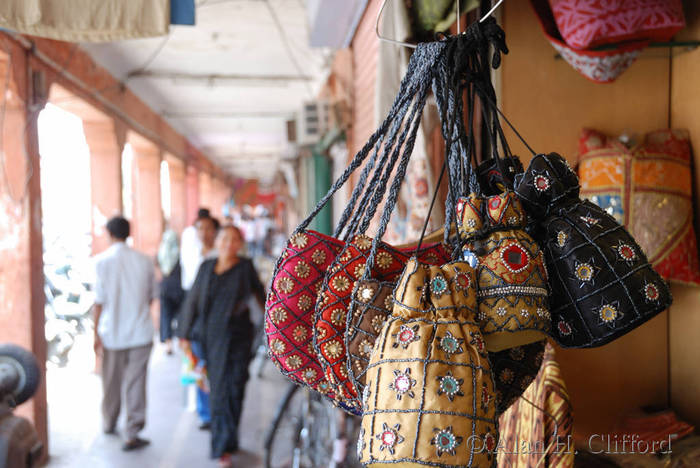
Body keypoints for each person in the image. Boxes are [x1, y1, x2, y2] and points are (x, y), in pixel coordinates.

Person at [179, 225, 265, 467]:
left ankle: (230, 438)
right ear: (217, 241)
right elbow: (192, 300)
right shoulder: (206, 267)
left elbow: (260, 297)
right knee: (217, 392)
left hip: (239, 338)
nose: (229, 243)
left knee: (236, 388)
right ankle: (221, 449)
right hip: (210, 338)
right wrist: (183, 335)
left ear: (240, 243)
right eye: (225, 238)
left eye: (234, 239)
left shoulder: (245, 267)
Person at [93, 216, 157, 451]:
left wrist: (95, 335)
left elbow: (98, 302)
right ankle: (132, 432)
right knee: (136, 383)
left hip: (112, 333)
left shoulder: (101, 262)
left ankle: (109, 422)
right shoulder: (144, 261)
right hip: (140, 332)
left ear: (110, 234)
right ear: (128, 233)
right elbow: (151, 296)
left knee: (110, 381)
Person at [180, 211, 220, 430]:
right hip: (195, 316)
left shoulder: (220, 254)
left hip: (216, 316)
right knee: (199, 364)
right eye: (199, 228)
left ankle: (217, 408)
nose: (203, 233)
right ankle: (205, 413)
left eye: (207, 228)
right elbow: (187, 289)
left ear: (214, 231)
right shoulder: (190, 253)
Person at [157, 229, 184, 355]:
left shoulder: (161, 253)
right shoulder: (180, 252)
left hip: (165, 288)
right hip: (179, 288)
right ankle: (181, 340)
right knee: (182, 315)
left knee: (166, 316)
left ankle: (168, 344)